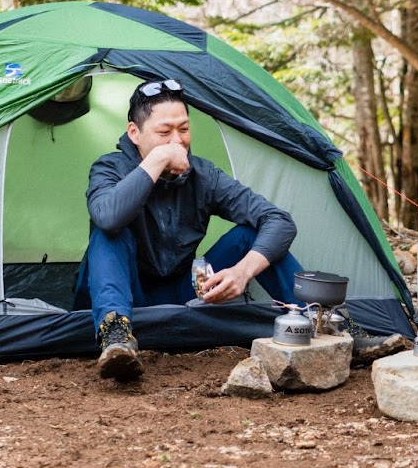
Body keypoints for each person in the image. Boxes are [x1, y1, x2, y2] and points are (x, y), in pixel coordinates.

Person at [77, 78, 300, 382]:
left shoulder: (203, 175)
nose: (177, 141)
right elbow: (109, 217)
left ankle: (317, 322)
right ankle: (115, 336)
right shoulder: (108, 169)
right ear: (134, 133)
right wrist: (157, 160)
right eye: (164, 132)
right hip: (121, 292)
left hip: (183, 290)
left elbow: (279, 221)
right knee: (109, 232)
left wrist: (243, 271)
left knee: (252, 234)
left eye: (183, 129)